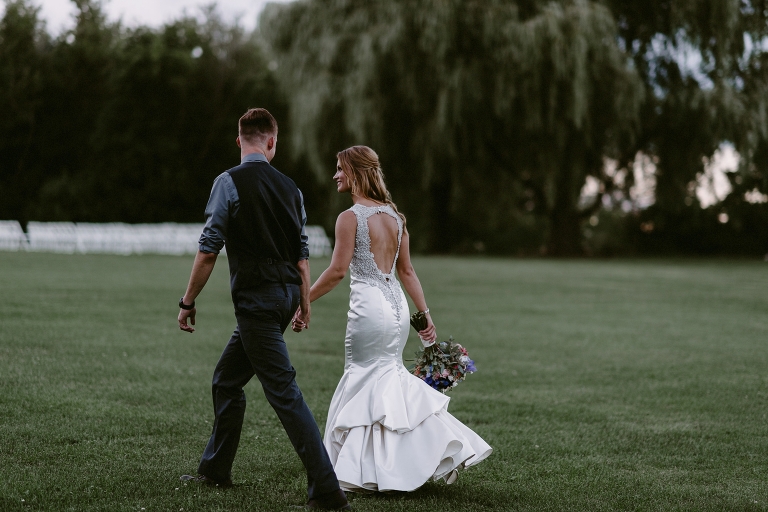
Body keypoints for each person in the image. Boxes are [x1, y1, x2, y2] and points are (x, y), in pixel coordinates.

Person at [177, 108, 350, 511]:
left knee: (284, 393)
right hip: (285, 296)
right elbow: (302, 256)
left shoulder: (228, 181)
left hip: (257, 302)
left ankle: (327, 490)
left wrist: (188, 301)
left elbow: (208, 250)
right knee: (226, 380)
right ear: (271, 142)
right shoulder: (291, 188)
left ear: (239, 141)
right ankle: (215, 470)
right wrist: (304, 302)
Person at [292, 145, 491, 492]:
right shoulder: (396, 218)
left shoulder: (350, 217)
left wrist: (303, 302)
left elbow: (338, 271)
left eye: (340, 168)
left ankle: (360, 469)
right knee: (388, 378)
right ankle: (398, 464)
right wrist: (423, 316)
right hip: (397, 309)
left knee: (364, 378)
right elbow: (407, 271)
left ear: (356, 172)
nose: (335, 175)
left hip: (369, 309)